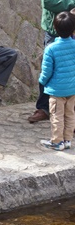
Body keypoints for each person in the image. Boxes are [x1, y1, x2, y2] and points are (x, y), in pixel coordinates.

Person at [29, 0, 75, 123]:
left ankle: (70, 110)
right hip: (56, 28)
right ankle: (43, 108)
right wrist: (72, 4)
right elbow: (48, 0)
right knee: (50, 67)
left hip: (74, 27)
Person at [38, 11, 75, 151]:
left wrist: (42, 81)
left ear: (55, 29)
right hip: (72, 88)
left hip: (57, 90)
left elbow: (46, 71)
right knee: (70, 114)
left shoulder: (51, 48)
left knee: (57, 115)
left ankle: (57, 141)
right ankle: (67, 140)